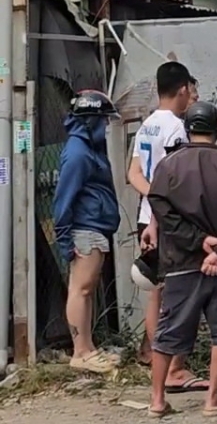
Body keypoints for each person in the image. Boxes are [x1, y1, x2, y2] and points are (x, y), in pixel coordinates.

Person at [146, 101, 217, 418]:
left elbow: (161, 210)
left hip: (181, 264)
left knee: (169, 331)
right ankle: (212, 400)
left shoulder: (168, 167)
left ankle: (157, 401)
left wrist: (197, 243)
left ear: (187, 129)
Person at [128, 61, 205, 391]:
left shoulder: (146, 126)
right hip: (166, 220)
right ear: (183, 89)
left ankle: (157, 363)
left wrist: (151, 200)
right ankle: (175, 367)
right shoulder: (177, 129)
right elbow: (172, 180)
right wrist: (161, 206)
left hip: (146, 215)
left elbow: (133, 174)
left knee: (155, 293)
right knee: (179, 291)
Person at [53, 89, 121, 374]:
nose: (106, 126)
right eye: (103, 120)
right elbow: (63, 199)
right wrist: (64, 239)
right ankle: (80, 352)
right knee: (80, 289)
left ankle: (88, 348)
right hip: (84, 229)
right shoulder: (79, 154)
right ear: (91, 120)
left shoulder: (89, 148)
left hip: (94, 227)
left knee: (87, 290)